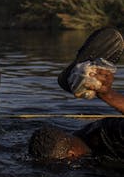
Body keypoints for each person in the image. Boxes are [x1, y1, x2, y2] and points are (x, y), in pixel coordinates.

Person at [29, 27, 124, 162]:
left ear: (72, 155)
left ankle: (82, 75)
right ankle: (81, 76)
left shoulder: (107, 135)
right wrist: (107, 95)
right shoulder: (96, 133)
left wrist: (107, 94)